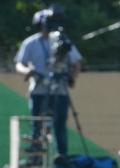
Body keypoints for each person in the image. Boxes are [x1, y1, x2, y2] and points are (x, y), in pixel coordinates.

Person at [14, 4, 82, 159]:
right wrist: (27, 71)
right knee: (37, 124)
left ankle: (61, 158)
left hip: (60, 90)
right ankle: (36, 157)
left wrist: (71, 76)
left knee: (59, 125)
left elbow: (77, 62)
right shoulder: (31, 43)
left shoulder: (63, 41)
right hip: (38, 89)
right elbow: (19, 64)